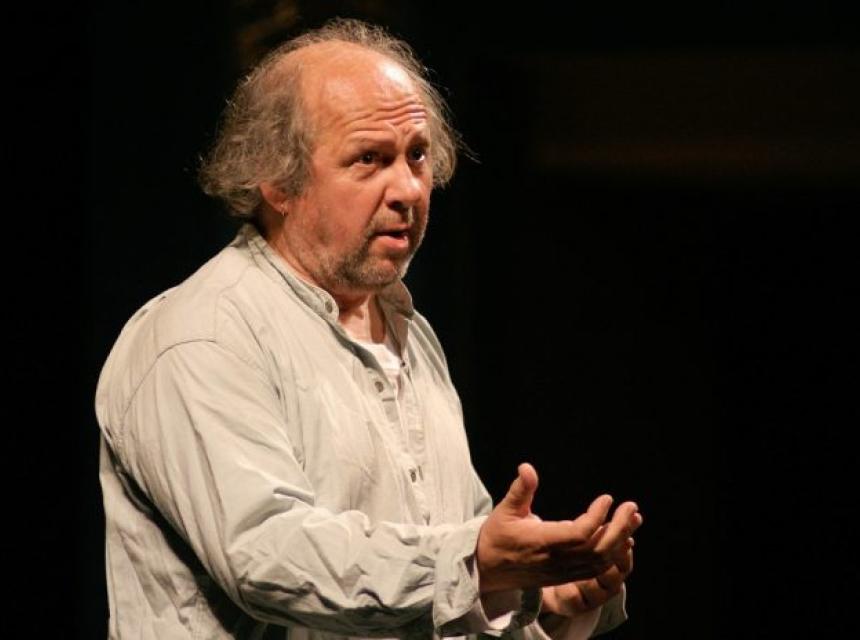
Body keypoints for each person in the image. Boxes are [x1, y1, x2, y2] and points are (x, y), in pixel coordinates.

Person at [95, 18, 643, 640]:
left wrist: (539, 596)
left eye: (417, 155)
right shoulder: (203, 337)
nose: (408, 188)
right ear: (277, 181)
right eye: (370, 159)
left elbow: (450, 578)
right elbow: (269, 557)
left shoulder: (410, 333)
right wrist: (473, 564)